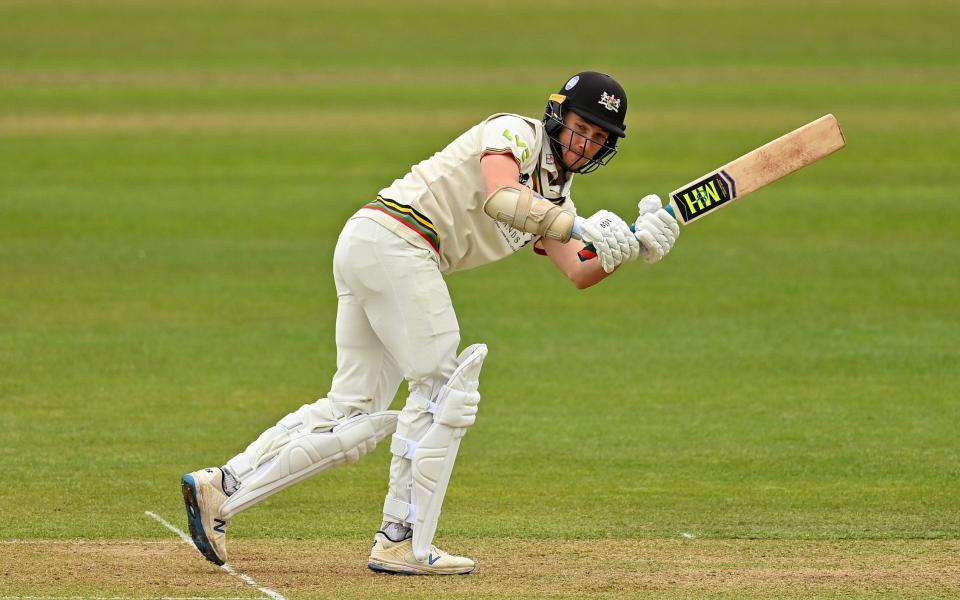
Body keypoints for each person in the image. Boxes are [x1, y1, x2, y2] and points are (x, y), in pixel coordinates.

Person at [180, 71, 679, 576]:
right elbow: (501, 197)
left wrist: (632, 244)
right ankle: (400, 539)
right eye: (580, 128)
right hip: (398, 240)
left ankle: (222, 485)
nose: (585, 143)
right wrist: (578, 225)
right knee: (442, 389)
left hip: (380, 249)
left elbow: (578, 269)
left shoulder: (559, 199)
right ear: (557, 117)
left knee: (352, 411)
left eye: (598, 138)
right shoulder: (515, 134)